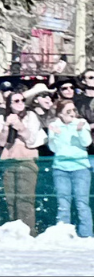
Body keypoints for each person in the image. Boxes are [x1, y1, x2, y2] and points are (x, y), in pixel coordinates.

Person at [48, 100, 94, 237]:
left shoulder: (81, 123)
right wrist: (56, 135)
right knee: (63, 203)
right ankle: (64, 234)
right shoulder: (54, 125)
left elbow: (87, 143)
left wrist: (80, 131)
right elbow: (53, 149)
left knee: (82, 202)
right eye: (68, 111)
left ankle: (86, 235)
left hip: (80, 168)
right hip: (61, 168)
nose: (72, 114)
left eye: (73, 110)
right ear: (60, 113)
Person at [2, 88, 44, 234]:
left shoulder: (30, 116)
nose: (21, 103)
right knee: (11, 200)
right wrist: (6, 126)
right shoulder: (3, 117)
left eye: (22, 100)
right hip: (8, 161)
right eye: (16, 101)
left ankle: (28, 231)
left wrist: (20, 126)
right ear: (10, 104)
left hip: (26, 160)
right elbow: (2, 143)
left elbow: (31, 139)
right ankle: (14, 231)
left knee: (24, 199)